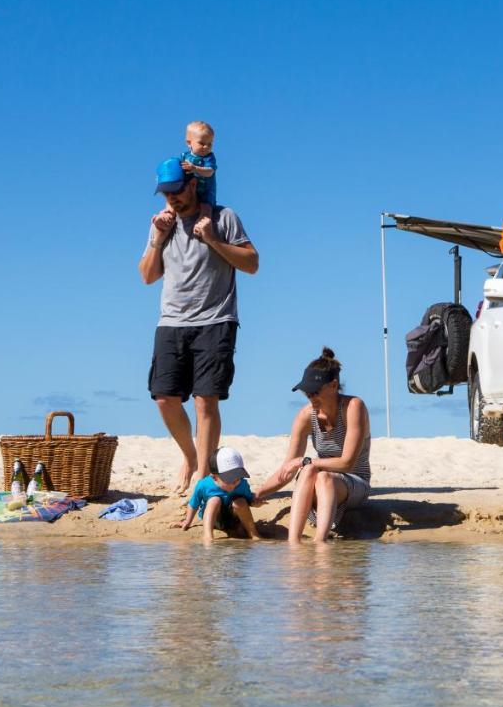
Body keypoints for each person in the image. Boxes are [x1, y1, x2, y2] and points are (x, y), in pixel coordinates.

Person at [141, 157, 259, 496]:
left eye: (177, 191)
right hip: (171, 321)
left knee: (205, 400)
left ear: (192, 185)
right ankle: (191, 458)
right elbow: (148, 275)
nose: (172, 199)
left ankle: (202, 473)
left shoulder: (223, 218)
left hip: (216, 319)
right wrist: (157, 239)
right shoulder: (161, 224)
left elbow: (252, 263)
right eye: (166, 194)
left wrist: (213, 240)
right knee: (164, 398)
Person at [252, 348, 371, 544]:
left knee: (319, 473)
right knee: (308, 472)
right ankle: (294, 543)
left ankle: (320, 542)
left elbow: (347, 463)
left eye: (315, 392)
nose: (310, 397)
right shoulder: (306, 415)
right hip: (320, 487)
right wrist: (259, 492)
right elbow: (288, 469)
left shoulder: (353, 407)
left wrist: (305, 461)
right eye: (307, 392)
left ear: (333, 385)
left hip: (354, 483)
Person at [179, 447, 260, 542]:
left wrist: (254, 503)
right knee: (214, 500)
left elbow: (248, 501)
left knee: (240, 501)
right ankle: (208, 536)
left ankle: (254, 534)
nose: (234, 482)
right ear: (214, 477)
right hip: (215, 519)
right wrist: (187, 521)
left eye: (237, 477)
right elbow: (194, 503)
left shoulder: (242, 484)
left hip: (233, 518)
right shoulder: (204, 485)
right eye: (229, 478)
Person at [179, 121, 217, 237]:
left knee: (206, 207)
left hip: (205, 190)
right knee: (174, 196)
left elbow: (210, 172)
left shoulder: (209, 157)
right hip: (191, 190)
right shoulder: (184, 156)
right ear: (189, 143)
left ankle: (202, 224)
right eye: (202, 143)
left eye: (209, 144)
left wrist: (195, 168)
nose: (206, 147)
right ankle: (168, 213)